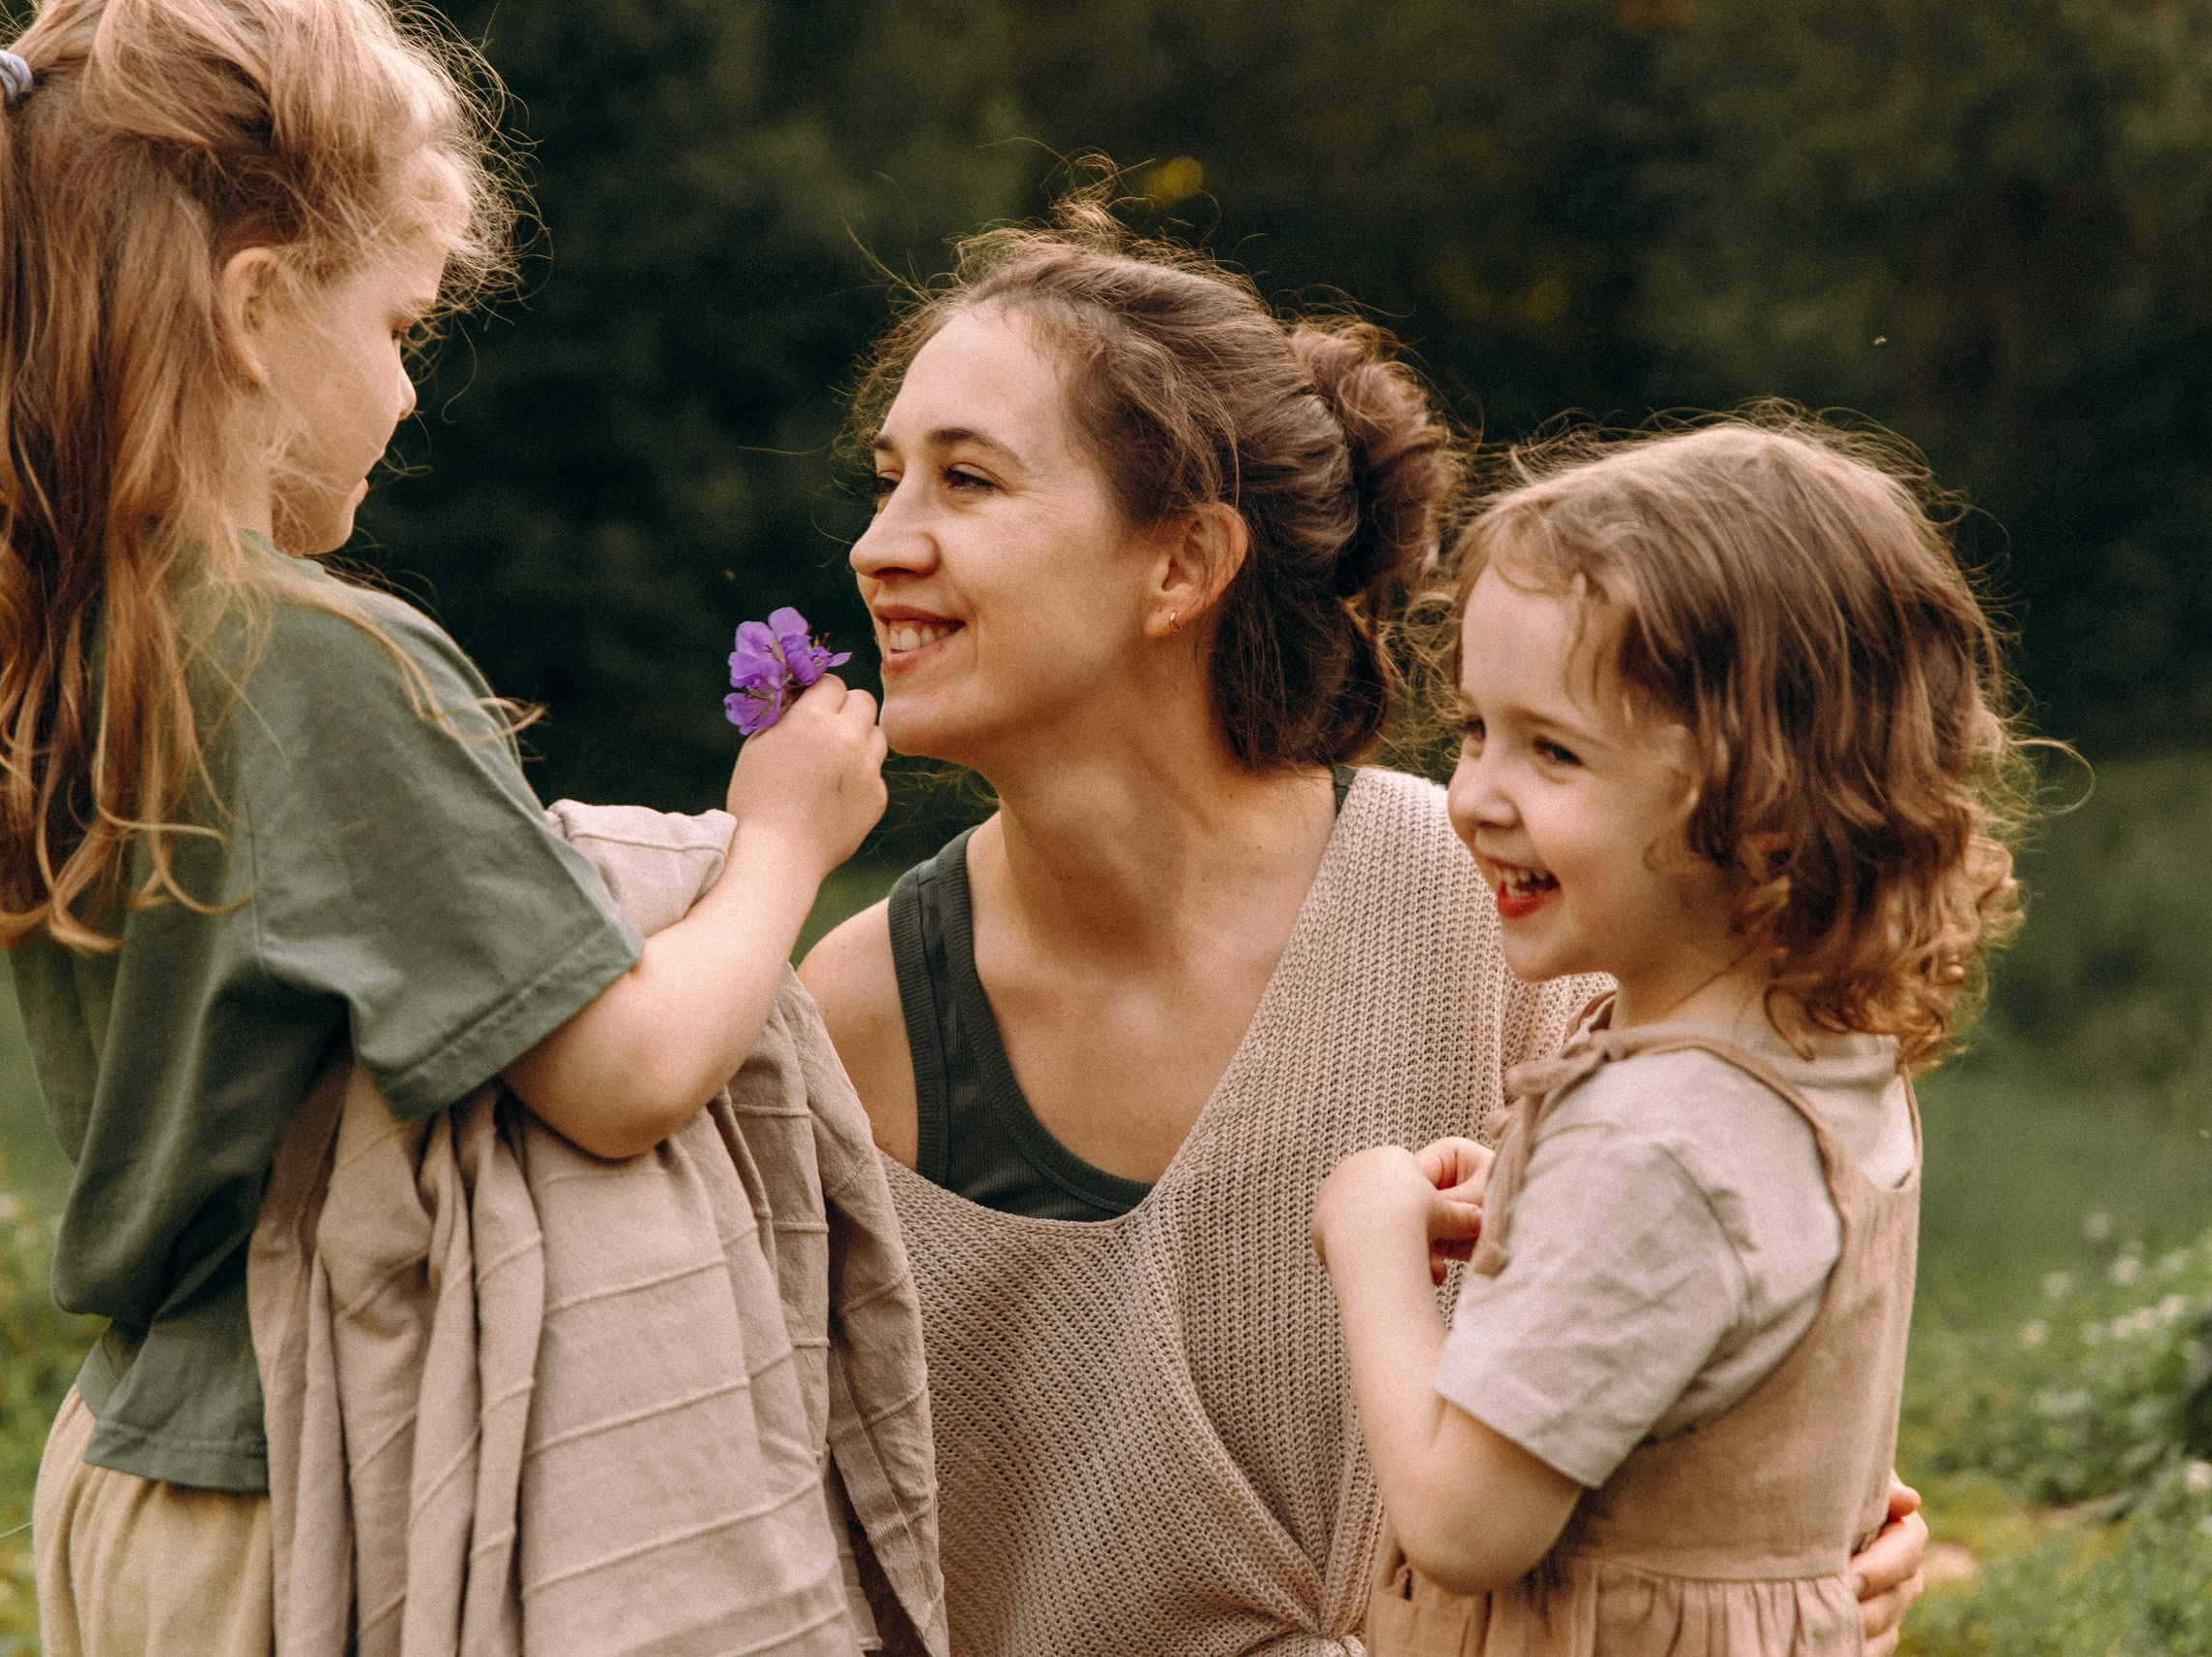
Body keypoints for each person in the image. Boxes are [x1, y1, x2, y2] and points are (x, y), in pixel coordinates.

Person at [0, 4, 884, 1651]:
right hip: (305, 1490)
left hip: (128, 1478)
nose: (405, 388)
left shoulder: (81, 643)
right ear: (253, 309)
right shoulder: (307, 658)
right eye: (400, 326)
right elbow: (625, 1073)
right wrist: (784, 842)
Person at [798, 196, 1930, 1656]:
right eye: (886, 482)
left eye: (967, 481)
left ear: (1183, 564)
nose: (880, 546)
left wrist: (1780, 1525)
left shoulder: (1506, 913)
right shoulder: (855, 1012)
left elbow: (1724, 1277)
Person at [1313, 418, 2024, 1655]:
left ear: (1762, 809)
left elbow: (1462, 1525)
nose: (1474, 793)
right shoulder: (1817, 1059)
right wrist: (1536, 1217)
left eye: (1552, 751)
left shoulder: (1652, 1142)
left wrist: (1368, 1229)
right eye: (1477, 728)